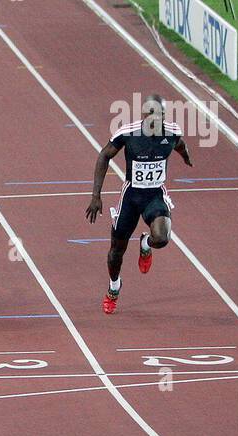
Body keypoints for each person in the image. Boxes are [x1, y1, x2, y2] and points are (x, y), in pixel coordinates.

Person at [86, 94, 192, 314]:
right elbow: (104, 155)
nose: (158, 120)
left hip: (155, 196)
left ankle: (146, 243)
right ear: (145, 115)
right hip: (131, 197)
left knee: (162, 238)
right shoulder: (128, 133)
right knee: (116, 252)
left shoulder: (171, 131)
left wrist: (185, 156)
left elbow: (180, 145)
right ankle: (114, 286)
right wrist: (96, 195)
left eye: (161, 115)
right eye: (153, 115)